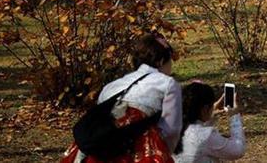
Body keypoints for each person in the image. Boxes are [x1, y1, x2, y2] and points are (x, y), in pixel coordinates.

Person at [61, 31, 182, 163]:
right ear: (160, 61)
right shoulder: (168, 83)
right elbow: (171, 129)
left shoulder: (112, 86)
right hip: (138, 146)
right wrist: (165, 152)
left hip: (102, 145)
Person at [172, 82, 245, 163]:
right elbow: (237, 150)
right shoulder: (205, 135)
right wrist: (234, 116)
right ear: (205, 109)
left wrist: (209, 116)